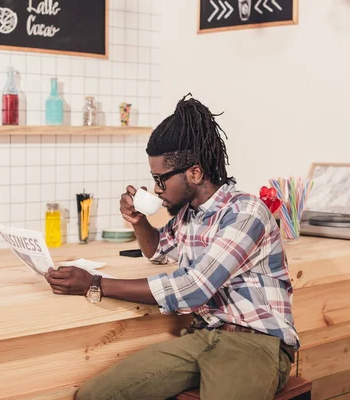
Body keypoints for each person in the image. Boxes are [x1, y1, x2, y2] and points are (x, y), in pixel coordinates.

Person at [44, 94, 299, 400]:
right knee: (95, 395)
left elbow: (193, 288)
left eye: (160, 179)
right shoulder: (189, 215)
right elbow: (157, 251)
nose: (156, 189)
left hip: (255, 342)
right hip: (202, 335)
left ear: (194, 172)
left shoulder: (245, 212)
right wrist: (139, 222)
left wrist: (95, 283)